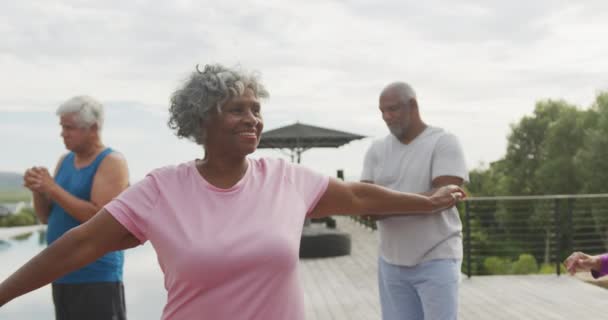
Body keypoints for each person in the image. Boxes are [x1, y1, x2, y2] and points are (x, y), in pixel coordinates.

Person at [0, 64, 465, 320]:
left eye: (256, 109)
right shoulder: (162, 189)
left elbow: (360, 197)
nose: (253, 119)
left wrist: (426, 203)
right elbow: (78, 244)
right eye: (236, 109)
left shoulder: (286, 180)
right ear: (202, 120)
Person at [361, 82, 468, 320]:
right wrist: (427, 201)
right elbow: (364, 206)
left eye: (393, 109)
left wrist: (383, 204)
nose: (387, 117)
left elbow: (446, 198)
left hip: (437, 256)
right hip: (390, 261)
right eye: (382, 112)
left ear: (413, 105)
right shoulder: (376, 149)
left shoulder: (444, 142)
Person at [21, 96, 130, 320]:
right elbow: (45, 218)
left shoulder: (112, 162)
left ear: (92, 128)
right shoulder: (65, 160)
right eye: (62, 127)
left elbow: (99, 219)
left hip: (96, 277)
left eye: (69, 127)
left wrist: (52, 188)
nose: (63, 133)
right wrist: (38, 190)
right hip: (61, 273)